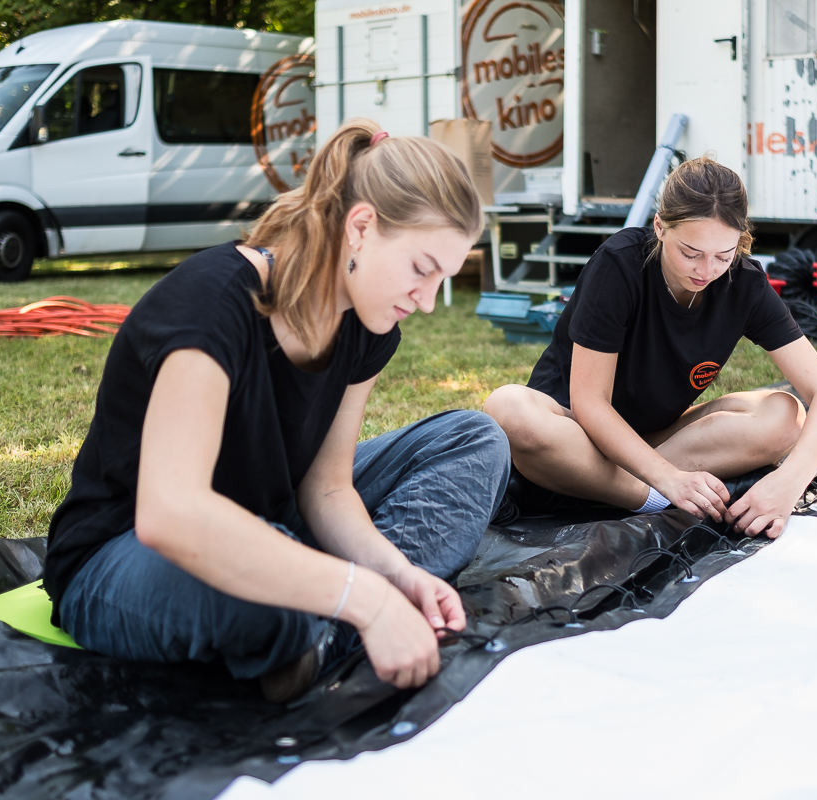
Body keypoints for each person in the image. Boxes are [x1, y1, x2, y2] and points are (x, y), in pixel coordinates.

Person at [43, 120, 511, 703]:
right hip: (125, 551)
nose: (427, 300)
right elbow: (172, 516)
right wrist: (368, 598)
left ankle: (320, 624)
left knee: (474, 439)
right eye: (422, 269)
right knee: (271, 596)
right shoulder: (210, 306)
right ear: (361, 227)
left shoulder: (366, 326)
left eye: (443, 279)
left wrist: (396, 574)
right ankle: (328, 617)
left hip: (277, 517)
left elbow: (329, 489)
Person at [484, 156, 817, 537]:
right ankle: (648, 497)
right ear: (659, 227)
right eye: (690, 253)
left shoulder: (745, 285)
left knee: (785, 414)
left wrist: (788, 485)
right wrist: (669, 479)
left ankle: (591, 489)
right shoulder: (620, 264)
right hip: (572, 433)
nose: (706, 271)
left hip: (654, 438)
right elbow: (589, 402)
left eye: (723, 256)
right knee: (508, 409)